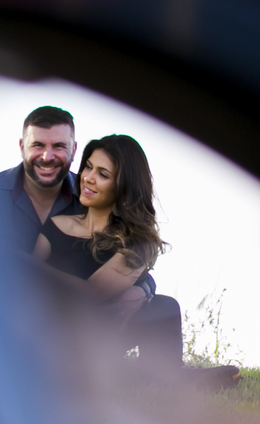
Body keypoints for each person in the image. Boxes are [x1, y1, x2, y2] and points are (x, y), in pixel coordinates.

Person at [0, 105, 156, 316]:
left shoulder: (91, 197)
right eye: (37, 145)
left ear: (73, 151)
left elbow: (126, 263)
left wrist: (144, 289)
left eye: (58, 146)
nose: (47, 156)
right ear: (21, 147)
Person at [33, 132, 184, 364]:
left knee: (164, 307)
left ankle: (171, 375)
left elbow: (93, 294)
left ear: (123, 187)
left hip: (96, 339)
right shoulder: (55, 224)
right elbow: (23, 283)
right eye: (88, 167)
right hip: (46, 333)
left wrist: (30, 265)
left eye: (102, 174)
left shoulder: (137, 241)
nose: (88, 178)